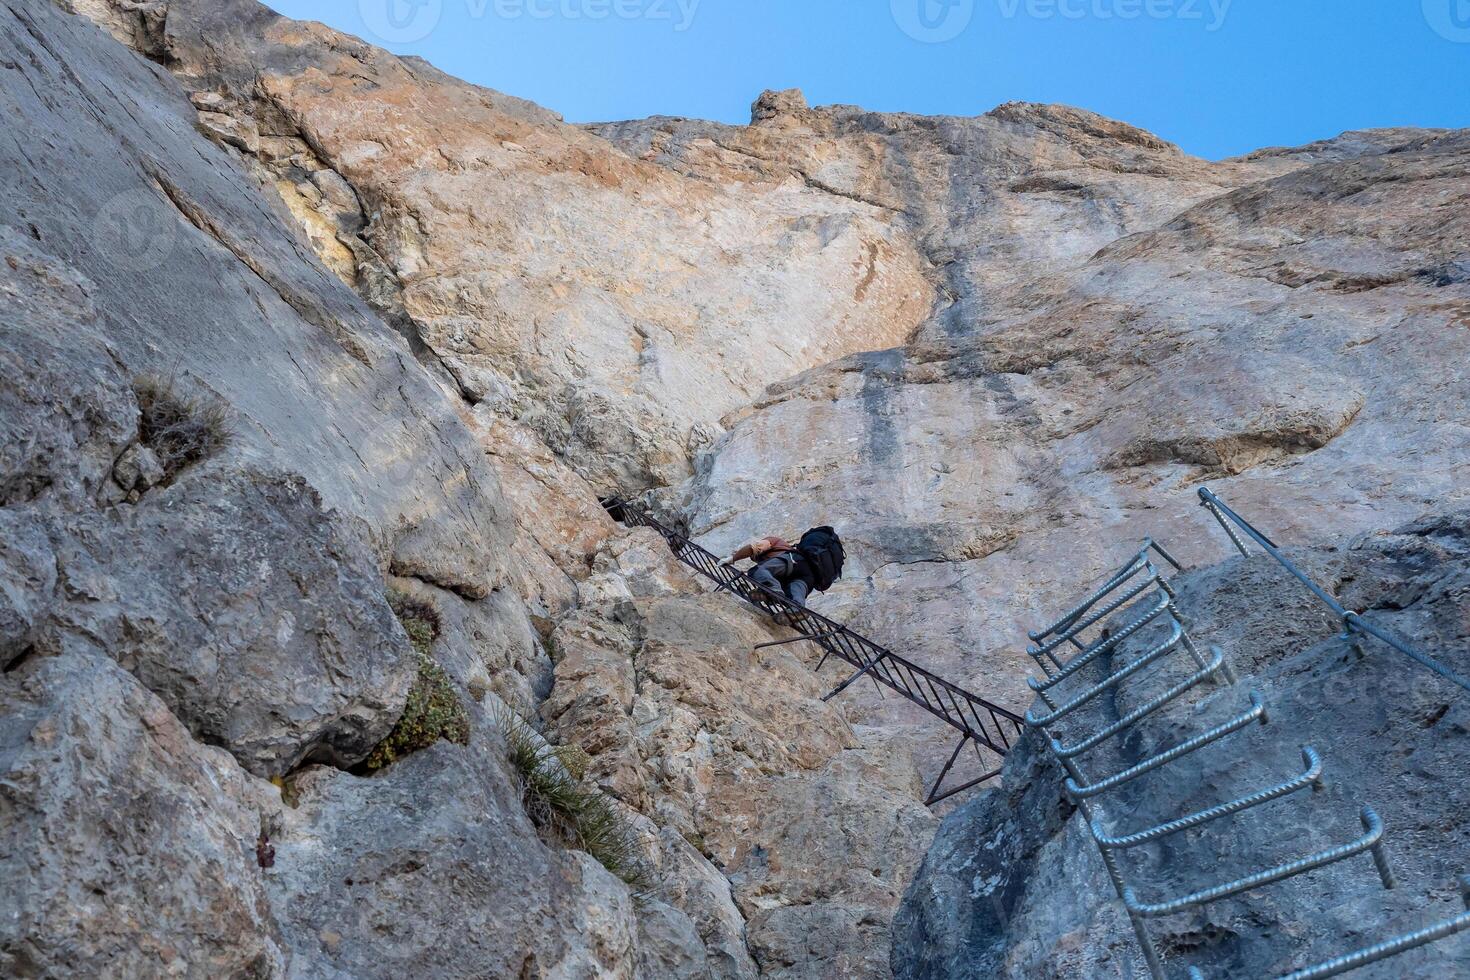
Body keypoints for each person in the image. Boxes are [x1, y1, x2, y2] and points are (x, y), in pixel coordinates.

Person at [727, 526, 845, 609]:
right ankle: (797, 609)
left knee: (757, 571)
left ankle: (771, 590)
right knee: (794, 593)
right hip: (809, 578)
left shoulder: (775, 543)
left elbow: (754, 548)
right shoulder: (775, 566)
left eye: (753, 557)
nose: (753, 558)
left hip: (795, 562)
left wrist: (733, 558)